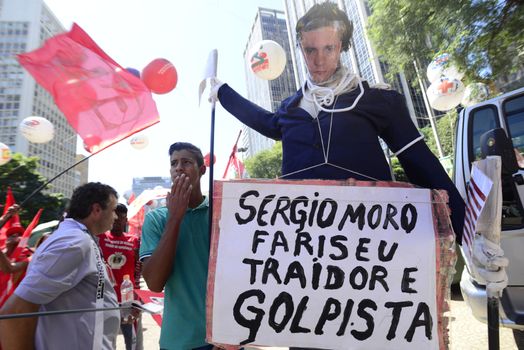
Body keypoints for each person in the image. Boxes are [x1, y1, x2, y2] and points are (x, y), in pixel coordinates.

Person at [210, 2, 465, 246]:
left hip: (371, 246)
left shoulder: (377, 99)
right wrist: (222, 92)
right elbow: (265, 122)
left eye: (328, 49)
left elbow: (422, 163)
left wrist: (470, 235)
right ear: (300, 47)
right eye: (311, 50)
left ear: (340, 46)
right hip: (300, 245)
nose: (319, 60)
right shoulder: (289, 108)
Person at [0, 182, 120, 350]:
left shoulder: (80, 239)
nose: (116, 217)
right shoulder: (74, 242)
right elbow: (14, 313)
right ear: (97, 210)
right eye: (114, 210)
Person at [139, 142, 211, 350]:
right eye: (174, 163)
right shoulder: (156, 219)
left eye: (186, 162)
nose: (178, 167)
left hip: (223, 338)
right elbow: (154, 283)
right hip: (179, 341)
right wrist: (175, 218)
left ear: (202, 169)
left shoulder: (220, 211)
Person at [99, 203, 143, 350]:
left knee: (131, 341)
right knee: (107, 341)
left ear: (126, 220)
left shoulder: (134, 241)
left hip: (127, 300)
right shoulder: (100, 238)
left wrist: (137, 296)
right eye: (116, 217)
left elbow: (139, 268)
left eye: (122, 218)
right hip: (105, 299)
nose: (118, 221)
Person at [0, 204, 30, 307]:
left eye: (18, 235)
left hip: (8, 305)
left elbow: (10, 268)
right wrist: (7, 216)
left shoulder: (26, 258)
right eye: (11, 234)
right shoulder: (2, 251)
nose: (14, 235)